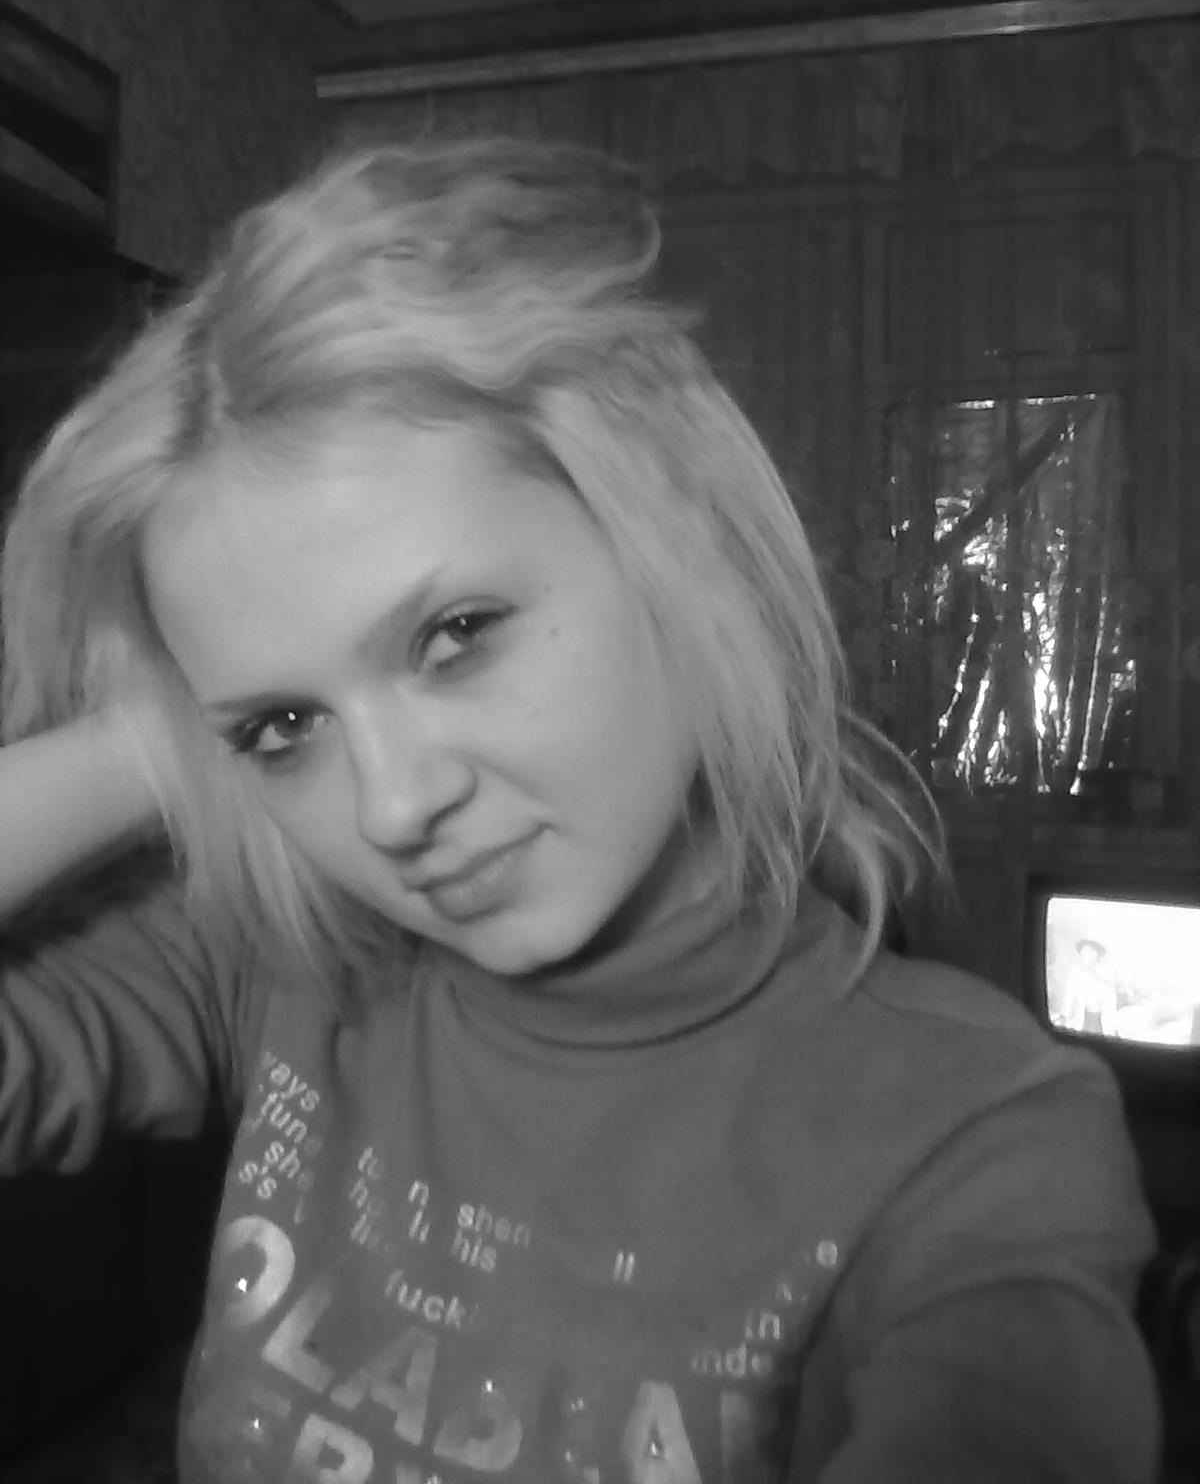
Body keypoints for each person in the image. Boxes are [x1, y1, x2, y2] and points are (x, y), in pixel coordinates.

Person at [0, 138, 1160, 1484]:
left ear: (677, 545)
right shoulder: (280, 969)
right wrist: (165, 728)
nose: (394, 806)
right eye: (287, 729)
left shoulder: (977, 1135)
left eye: (454, 635)